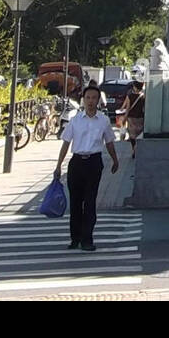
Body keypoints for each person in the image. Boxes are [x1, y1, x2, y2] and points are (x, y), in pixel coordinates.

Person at [54, 84, 118, 251]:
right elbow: (66, 143)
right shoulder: (75, 120)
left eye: (94, 98)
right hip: (76, 163)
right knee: (75, 202)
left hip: (94, 163)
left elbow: (110, 142)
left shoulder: (103, 120)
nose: (90, 101)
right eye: (88, 98)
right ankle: (75, 239)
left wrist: (115, 160)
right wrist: (58, 165)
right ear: (83, 100)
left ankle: (87, 239)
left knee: (89, 202)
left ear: (98, 100)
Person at [118, 81, 145, 158]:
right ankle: (137, 148)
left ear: (135, 87)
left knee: (132, 135)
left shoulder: (130, 96)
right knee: (139, 134)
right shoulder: (144, 96)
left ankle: (133, 149)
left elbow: (127, 109)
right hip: (140, 118)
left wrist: (124, 119)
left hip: (131, 118)